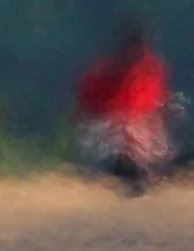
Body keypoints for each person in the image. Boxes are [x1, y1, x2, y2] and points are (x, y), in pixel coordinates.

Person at [73, 20, 174, 192]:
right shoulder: (103, 74)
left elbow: (157, 112)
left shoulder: (151, 71)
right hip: (111, 143)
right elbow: (87, 118)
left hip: (143, 143)